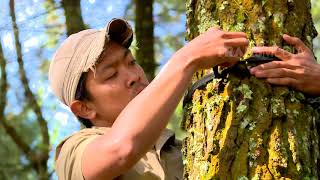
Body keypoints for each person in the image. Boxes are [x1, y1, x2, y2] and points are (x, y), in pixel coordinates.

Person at [48, 18, 318, 180]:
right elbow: (121, 149)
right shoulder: (73, 152)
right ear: (84, 108)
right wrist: (187, 58)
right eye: (111, 75)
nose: (133, 76)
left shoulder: (187, 149)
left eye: (131, 62)